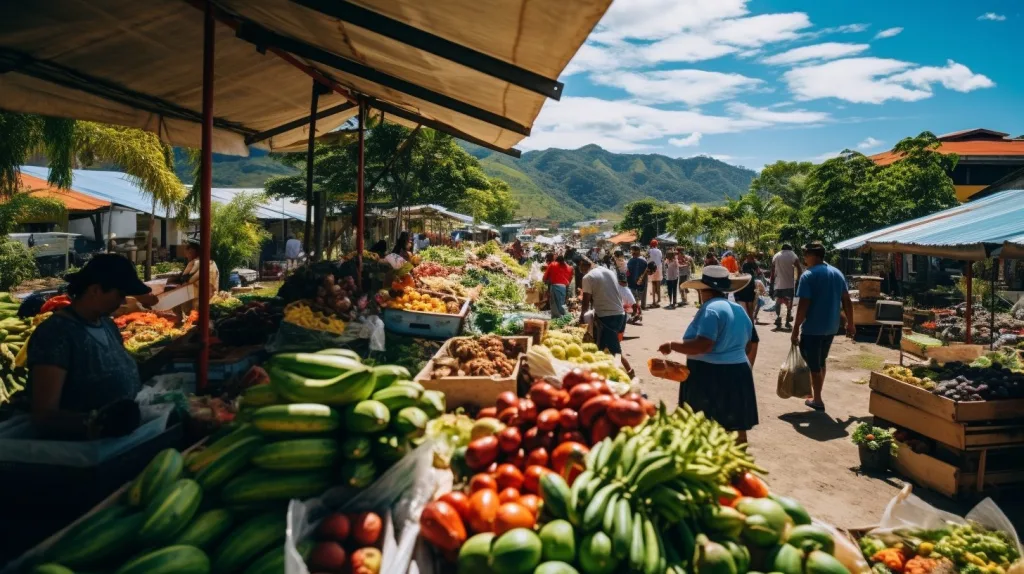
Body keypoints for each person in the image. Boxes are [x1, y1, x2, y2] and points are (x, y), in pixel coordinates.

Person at [27, 255, 149, 439]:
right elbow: (44, 415)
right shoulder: (56, 334)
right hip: (81, 455)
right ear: (96, 290)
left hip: (119, 444)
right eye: (120, 294)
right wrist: (97, 423)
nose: (123, 302)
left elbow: (122, 372)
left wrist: (169, 354)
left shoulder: (108, 326)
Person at [658, 265, 758, 443]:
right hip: (739, 372)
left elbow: (703, 345)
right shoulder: (739, 310)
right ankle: (739, 468)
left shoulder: (711, 309)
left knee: (703, 428)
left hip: (710, 375)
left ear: (704, 290)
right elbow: (749, 346)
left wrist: (672, 345)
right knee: (736, 428)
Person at [791, 242, 856, 411]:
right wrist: (851, 323)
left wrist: (795, 328)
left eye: (805, 254)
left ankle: (817, 399)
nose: (804, 258)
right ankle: (816, 393)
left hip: (813, 328)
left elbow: (803, 305)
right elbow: (846, 300)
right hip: (831, 327)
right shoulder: (837, 273)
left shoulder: (808, 276)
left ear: (814, 255)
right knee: (820, 361)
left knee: (813, 364)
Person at [579, 257, 631, 375]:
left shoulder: (587, 277)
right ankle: (601, 372)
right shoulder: (609, 271)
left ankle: (629, 372)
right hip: (621, 315)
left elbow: (586, 302)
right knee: (601, 347)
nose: (580, 271)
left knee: (615, 351)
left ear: (584, 266)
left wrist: (582, 318)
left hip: (608, 317)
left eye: (581, 268)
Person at [770, 243, 803, 330]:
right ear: (790, 248)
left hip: (778, 284)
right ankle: (787, 321)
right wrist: (799, 280)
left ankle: (778, 319)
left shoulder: (776, 256)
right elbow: (799, 269)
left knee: (778, 302)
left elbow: (772, 270)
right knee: (789, 303)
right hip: (789, 284)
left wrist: (771, 281)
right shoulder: (792, 254)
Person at [734, 252, 762, 321]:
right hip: (749, 286)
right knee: (749, 307)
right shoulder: (752, 264)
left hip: (746, 286)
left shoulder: (746, 264)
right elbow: (759, 272)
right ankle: (750, 322)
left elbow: (741, 273)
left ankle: (750, 322)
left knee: (747, 307)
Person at [544, 252, 574, 318]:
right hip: (564, 288)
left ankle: (558, 319)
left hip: (554, 287)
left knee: (554, 306)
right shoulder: (570, 268)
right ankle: (563, 318)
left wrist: (546, 281)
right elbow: (570, 280)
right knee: (561, 304)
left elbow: (545, 277)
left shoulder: (552, 264)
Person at [626, 245, 648, 316]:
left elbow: (627, 272)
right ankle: (638, 312)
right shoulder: (644, 261)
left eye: (633, 252)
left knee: (634, 299)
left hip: (632, 284)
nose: (632, 253)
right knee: (636, 298)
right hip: (640, 284)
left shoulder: (630, 261)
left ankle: (636, 313)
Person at [647, 239, 663, 308]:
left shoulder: (649, 251)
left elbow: (648, 259)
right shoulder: (659, 251)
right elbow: (660, 259)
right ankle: (659, 299)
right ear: (657, 245)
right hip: (658, 268)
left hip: (651, 268)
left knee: (653, 284)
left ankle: (654, 300)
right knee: (658, 284)